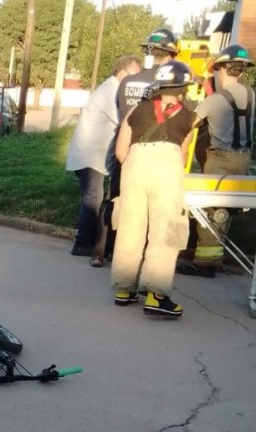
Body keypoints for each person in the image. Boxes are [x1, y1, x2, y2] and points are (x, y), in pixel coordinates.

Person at [110, 60, 197, 318]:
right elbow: (182, 157)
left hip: (134, 168)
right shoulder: (190, 118)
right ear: (183, 88)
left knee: (129, 226)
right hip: (166, 169)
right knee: (165, 230)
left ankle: (124, 289)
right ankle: (157, 296)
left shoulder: (135, 111)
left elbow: (120, 152)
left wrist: (137, 166)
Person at [100, 29, 181, 262]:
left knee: (121, 208)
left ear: (148, 52)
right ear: (171, 56)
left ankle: (113, 256)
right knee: (151, 217)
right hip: (156, 159)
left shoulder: (127, 82)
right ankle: (144, 265)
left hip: (125, 152)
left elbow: (121, 112)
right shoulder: (170, 86)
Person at [188, 44, 256, 275]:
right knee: (224, 211)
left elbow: (190, 124)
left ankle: (205, 264)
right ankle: (215, 257)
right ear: (242, 70)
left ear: (221, 69)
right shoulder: (251, 94)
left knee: (209, 211)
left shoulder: (216, 99)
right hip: (243, 159)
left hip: (220, 159)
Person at [65, 55, 141, 265]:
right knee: (93, 199)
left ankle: (90, 241)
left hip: (94, 154)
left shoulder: (113, 88)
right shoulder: (112, 90)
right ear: (123, 72)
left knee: (94, 199)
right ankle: (82, 243)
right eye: (135, 74)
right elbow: (123, 120)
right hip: (90, 154)